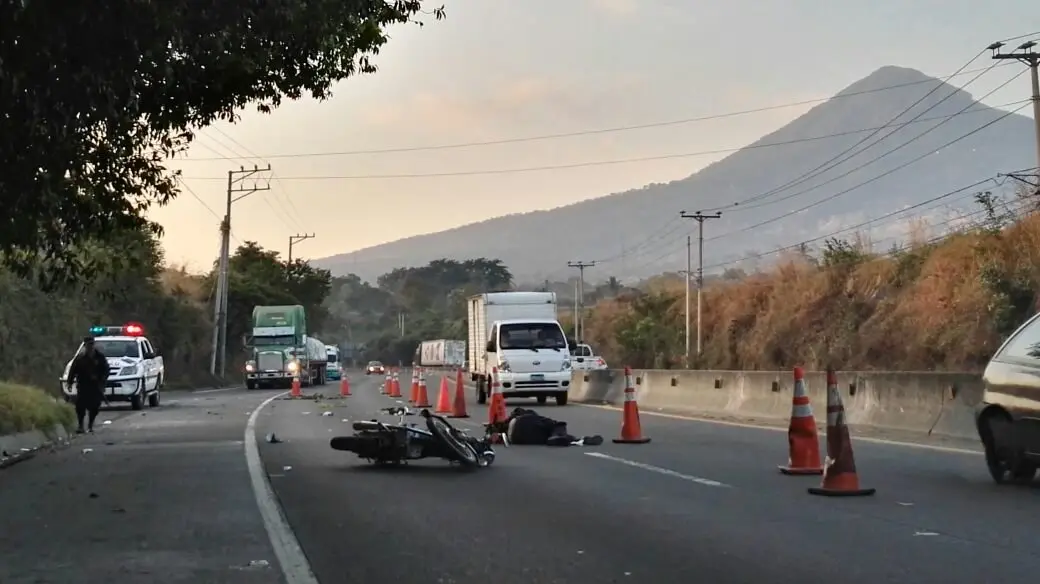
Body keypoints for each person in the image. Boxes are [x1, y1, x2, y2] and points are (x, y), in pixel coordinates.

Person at [490, 407, 603, 446]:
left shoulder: (502, 426)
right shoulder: (529, 417)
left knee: (547, 434)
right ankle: (580, 440)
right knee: (556, 425)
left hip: (515, 438)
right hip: (521, 426)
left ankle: (576, 440)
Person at [67, 336, 110, 433]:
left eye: (91, 344)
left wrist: (101, 379)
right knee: (80, 406)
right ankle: (80, 425)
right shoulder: (80, 358)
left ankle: (90, 425)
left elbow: (106, 370)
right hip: (83, 385)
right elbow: (73, 370)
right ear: (85, 346)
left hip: (96, 386)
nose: (90, 346)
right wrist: (70, 382)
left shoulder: (100, 357)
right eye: (88, 345)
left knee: (94, 406)